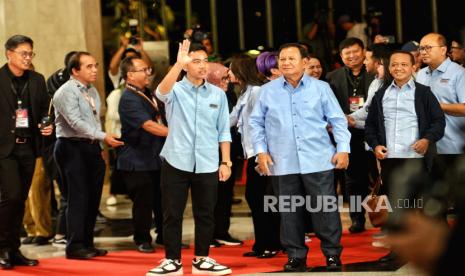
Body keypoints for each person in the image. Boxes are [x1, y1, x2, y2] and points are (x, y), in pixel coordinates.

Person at [249, 43, 351, 272]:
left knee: (324, 209)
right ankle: (296, 255)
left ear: (305, 62)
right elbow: (255, 123)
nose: (285, 63)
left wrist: (343, 149)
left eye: (291, 58)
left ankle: (332, 254)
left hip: (319, 159)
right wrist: (261, 152)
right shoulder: (267, 91)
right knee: (289, 211)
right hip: (282, 161)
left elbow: (338, 120)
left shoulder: (321, 88)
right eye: (282, 59)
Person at [148, 40, 232, 275]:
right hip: (176, 160)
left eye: (205, 61)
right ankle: (172, 261)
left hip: (207, 162)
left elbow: (224, 131)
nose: (203, 66)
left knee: (205, 213)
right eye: (196, 61)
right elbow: (160, 92)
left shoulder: (218, 94)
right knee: (172, 214)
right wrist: (177, 64)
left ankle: (202, 259)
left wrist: (226, 161)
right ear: (186, 65)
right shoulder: (175, 89)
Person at [365, 50, 446, 263]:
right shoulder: (381, 94)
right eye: (394, 65)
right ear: (389, 68)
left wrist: (427, 140)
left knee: (431, 207)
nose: (398, 68)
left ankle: (441, 250)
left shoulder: (424, 93)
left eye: (403, 64)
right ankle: (399, 251)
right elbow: (370, 126)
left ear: (413, 68)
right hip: (391, 160)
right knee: (397, 208)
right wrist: (375, 145)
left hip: (419, 159)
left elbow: (439, 122)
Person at [53, 51, 124, 260]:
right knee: (77, 198)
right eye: (89, 66)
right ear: (75, 71)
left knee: (93, 198)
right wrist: (104, 136)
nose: (95, 70)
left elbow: (93, 120)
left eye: (96, 65)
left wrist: (99, 144)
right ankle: (74, 246)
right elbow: (75, 123)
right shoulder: (65, 92)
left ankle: (87, 243)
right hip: (71, 146)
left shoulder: (91, 90)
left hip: (91, 146)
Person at [0, 34, 54, 270]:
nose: (28, 57)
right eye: (23, 53)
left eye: (31, 53)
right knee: (10, 197)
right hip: (4, 149)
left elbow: (44, 110)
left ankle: (14, 249)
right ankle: (2, 247)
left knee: (20, 200)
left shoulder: (37, 79)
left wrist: (46, 123)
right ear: (8, 54)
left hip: (28, 147)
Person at [229, 55, 281, 258]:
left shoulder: (258, 92)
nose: (228, 73)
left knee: (262, 199)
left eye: (231, 69)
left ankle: (271, 244)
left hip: (262, 154)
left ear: (240, 70)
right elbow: (231, 120)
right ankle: (263, 244)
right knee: (256, 198)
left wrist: (264, 153)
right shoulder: (245, 93)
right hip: (252, 154)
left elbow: (267, 123)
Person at [117, 56, 168, 253]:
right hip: (137, 159)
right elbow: (147, 125)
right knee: (143, 203)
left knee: (162, 200)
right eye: (143, 70)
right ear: (130, 75)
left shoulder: (148, 93)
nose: (148, 73)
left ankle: (164, 236)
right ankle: (142, 239)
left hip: (155, 156)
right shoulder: (129, 98)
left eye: (149, 69)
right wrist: (177, 133)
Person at [326, 37, 375, 234]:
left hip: (374, 133)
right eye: (347, 53)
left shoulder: (375, 74)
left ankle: (387, 219)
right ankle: (357, 218)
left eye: (355, 51)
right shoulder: (332, 78)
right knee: (354, 179)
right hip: (347, 135)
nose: (352, 56)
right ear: (341, 56)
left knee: (381, 177)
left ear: (363, 52)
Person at [415, 33, 465, 217]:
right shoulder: (421, 74)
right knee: (434, 204)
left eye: (428, 47)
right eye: (421, 48)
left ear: (444, 50)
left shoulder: (459, 74)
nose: (424, 52)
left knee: (460, 202)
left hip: (455, 146)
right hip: (429, 147)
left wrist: (437, 106)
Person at [206, 62, 243, 247]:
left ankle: (222, 231)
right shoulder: (203, 95)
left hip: (227, 152)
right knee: (209, 196)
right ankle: (208, 235)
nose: (227, 81)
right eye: (223, 78)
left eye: (228, 77)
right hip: (208, 154)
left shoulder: (227, 94)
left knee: (225, 195)